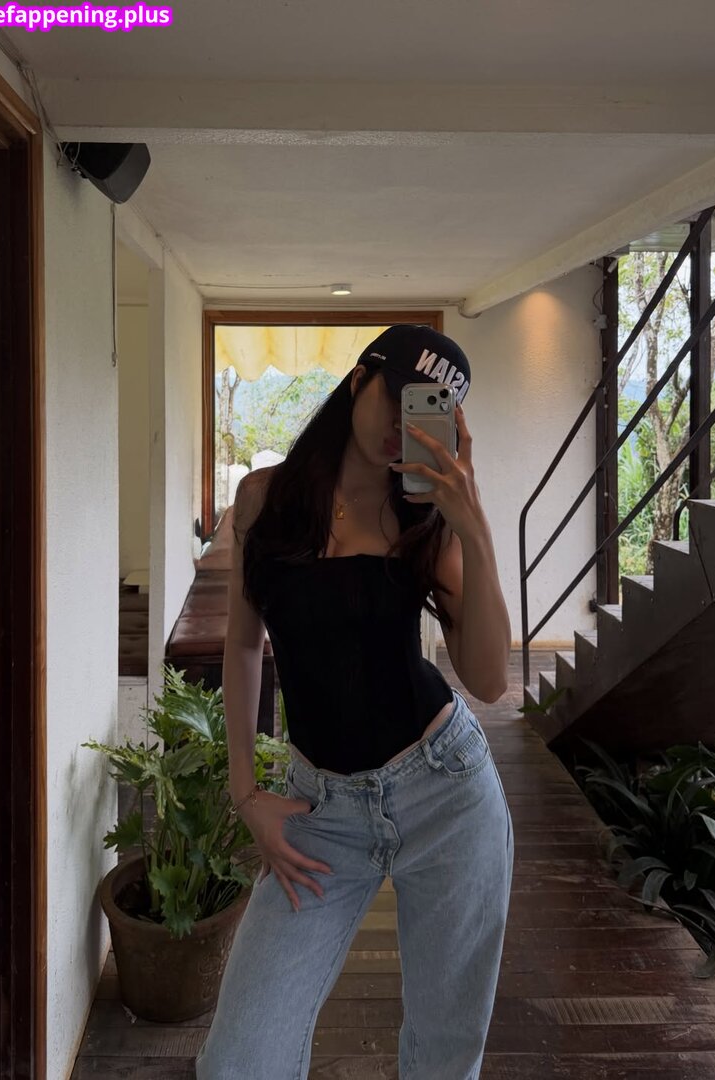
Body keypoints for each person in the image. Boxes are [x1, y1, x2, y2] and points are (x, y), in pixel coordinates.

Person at [195, 324, 514, 1080]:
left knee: (444, 1058)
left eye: (428, 412)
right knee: (239, 1061)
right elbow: (243, 645)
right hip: (320, 811)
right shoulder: (264, 500)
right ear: (360, 380)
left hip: (446, 793)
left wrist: (473, 526)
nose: (404, 425)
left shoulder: (426, 521)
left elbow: (490, 680)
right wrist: (246, 793)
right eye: (398, 398)